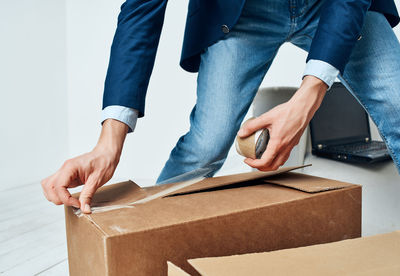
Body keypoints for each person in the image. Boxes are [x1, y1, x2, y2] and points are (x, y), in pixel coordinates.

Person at [41, 0, 400, 214]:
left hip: (334, 4)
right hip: (242, 12)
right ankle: (148, 241)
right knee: (206, 145)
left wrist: (309, 96)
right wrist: (109, 142)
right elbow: (141, 11)